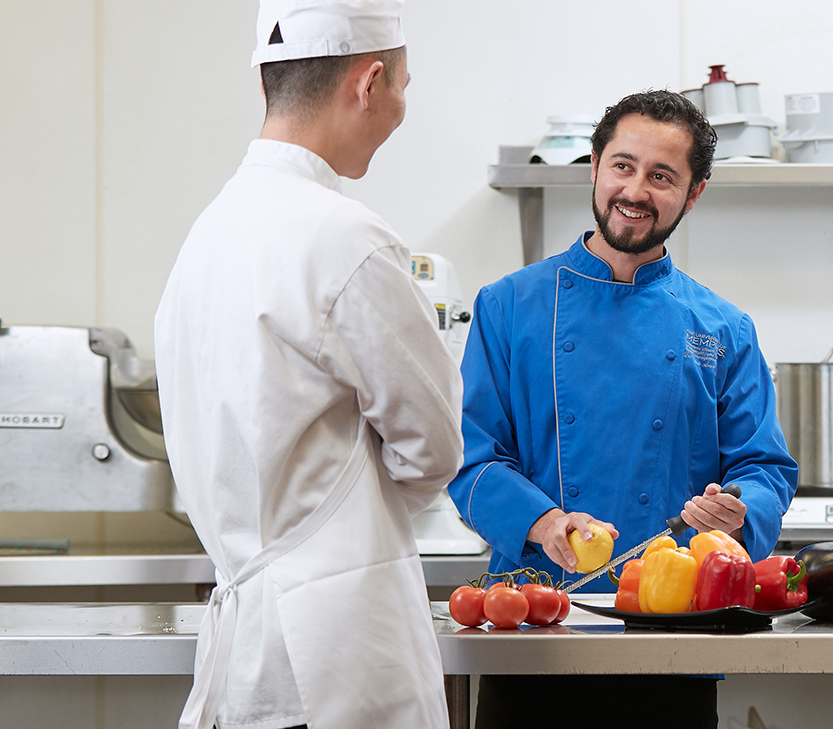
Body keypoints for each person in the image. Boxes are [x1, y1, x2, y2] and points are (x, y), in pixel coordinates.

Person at [154, 2, 460, 729]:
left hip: (246, 658)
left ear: (268, 86)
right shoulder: (346, 237)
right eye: (404, 88)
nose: (400, 108)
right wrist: (353, 515)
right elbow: (435, 448)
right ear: (370, 81)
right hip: (334, 664)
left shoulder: (205, 236)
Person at [449, 89, 797, 728]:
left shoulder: (724, 326)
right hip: (534, 622)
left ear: (692, 194)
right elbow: (472, 460)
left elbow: (765, 465)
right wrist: (545, 523)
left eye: (662, 176)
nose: (635, 190)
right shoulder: (508, 307)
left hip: (674, 633)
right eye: (623, 166)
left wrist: (739, 508)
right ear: (594, 166)